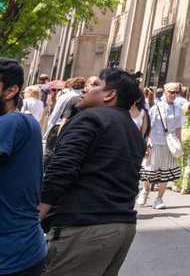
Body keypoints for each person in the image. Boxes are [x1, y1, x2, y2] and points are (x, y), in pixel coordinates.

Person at [39, 68, 145, 276]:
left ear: (110, 94)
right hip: (121, 227)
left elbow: (62, 168)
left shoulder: (90, 118)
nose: (86, 89)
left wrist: (37, 213)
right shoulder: (132, 129)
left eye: (96, 84)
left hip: (83, 227)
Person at [0, 60, 47, 276]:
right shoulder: (28, 123)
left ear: (11, 91)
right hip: (26, 249)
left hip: (10, 255)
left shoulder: (10, 123)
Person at [139, 82, 183, 209]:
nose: (173, 95)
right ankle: (145, 191)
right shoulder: (156, 108)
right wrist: (148, 140)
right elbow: (148, 126)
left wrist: (179, 144)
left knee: (165, 173)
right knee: (150, 171)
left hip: (170, 144)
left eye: (176, 92)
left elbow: (178, 128)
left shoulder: (178, 109)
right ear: (165, 92)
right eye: (171, 92)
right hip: (156, 142)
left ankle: (159, 199)